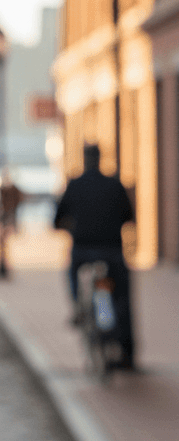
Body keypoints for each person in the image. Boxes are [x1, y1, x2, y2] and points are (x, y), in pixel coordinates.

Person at [54, 144, 135, 369]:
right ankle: (127, 352)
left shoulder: (75, 184)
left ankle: (77, 307)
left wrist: (66, 226)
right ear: (100, 159)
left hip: (83, 249)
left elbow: (58, 217)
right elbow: (129, 216)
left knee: (72, 272)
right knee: (122, 296)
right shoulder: (114, 184)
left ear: (85, 160)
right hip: (111, 250)